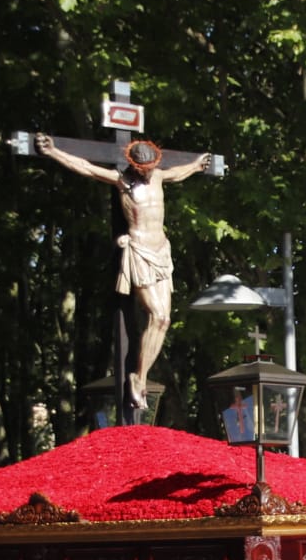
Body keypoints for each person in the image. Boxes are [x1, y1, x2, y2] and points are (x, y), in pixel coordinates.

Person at [35, 133, 213, 408]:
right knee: (155, 314)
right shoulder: (122, 182)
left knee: (164, 319)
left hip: (161, 252)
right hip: (140, 251)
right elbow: (85, 167)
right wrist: (54, 152)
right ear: (134, 165)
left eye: (152, 166)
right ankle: (137, 380)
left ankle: (140, 377)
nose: (149, 172)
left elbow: (179, 173)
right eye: (144, 168)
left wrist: (197, 164)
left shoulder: (158, 177)